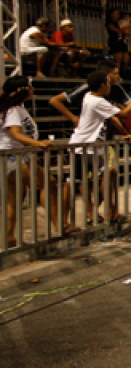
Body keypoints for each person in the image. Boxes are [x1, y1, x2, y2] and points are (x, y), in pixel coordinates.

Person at [67, 70, 131, 226]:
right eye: (108, 83)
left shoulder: (90, 96)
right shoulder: (96, 101)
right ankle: (108, 211)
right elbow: (124, 114)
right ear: (103, 85)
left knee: (87, 179)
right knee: (105, 173)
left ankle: (99, 212)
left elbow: (113, 119)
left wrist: (125, 133)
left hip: (87, 146)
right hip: (84, 147)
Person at [0, 76, 70, 245]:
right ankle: (61, 225)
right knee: (48, 183)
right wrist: (38, 144)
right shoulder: (13, 110)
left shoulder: (16, 108)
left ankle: (9, 237)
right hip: (13, 156)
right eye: (30, 87)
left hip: (16, 156)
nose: (32, 90)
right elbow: (15, 134)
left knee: (15, 197)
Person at [106, 9, 130, 74]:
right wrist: (123, 30)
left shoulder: (121, 22)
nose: (117, 15)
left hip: (122, 42)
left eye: (118, 14)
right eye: (115, 14)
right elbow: (116, 30)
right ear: (111, 14)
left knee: (126, 60)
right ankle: (117, 74)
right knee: (118, 59)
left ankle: (123, 74)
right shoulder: (110, 23)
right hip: (115, 41)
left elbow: (127, 31)